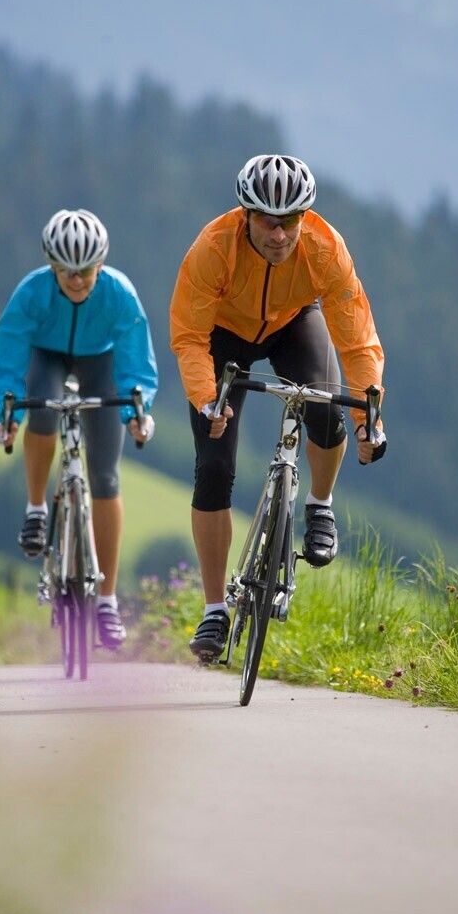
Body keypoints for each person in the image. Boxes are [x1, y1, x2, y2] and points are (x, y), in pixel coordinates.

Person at [170, 154, 386, 661]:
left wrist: (368, 420)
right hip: (222, 336)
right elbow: (189, 335)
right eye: (268, 221)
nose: (280, 233)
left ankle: (319, 505)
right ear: (246, 215)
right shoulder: (212, 248)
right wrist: (206, 400)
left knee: (327, 411)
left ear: (304, 217)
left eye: (290, 220)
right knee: (214, 466)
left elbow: (357, 341)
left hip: (293, 323)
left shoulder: (326, 249)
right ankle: (214, 610)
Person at [0, 208, 158, 648]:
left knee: (106, 477)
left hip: (101, 361)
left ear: (100, 264)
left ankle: (106, 602)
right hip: (46, 357)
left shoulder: (119, 293)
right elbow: (9, 354)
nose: (77, 279)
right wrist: (7, 415)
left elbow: (135, 361)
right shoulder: (32, 292)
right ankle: (37, 509)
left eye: (85, 270)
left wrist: (137, 413)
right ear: (52, 266)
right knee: (42, 408)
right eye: (66, 271)